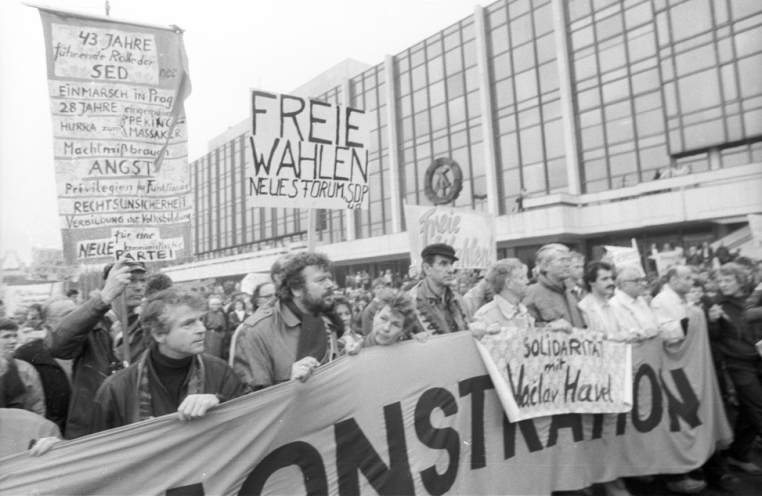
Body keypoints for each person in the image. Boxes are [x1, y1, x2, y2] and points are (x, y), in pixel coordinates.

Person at [91, 288, 245, 432]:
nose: (201, 329)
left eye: (200, 320)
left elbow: (243, 429)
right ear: (159, 334)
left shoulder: (221, 372)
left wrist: (219, 403)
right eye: (188, 324)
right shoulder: (117, 388)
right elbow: (100, 452)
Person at [47, 258, 146, 439]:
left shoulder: (148, 328)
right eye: (131, 280)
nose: (139, 287)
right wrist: (103, 298)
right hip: (92, 429)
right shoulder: (90, 324)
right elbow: (57, 346)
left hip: (133, 429)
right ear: (110, 283)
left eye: (142, 280)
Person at [233, 252, 351, 391]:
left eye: (329, 278)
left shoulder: (328, 320)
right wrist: (290, 385)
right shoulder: (257, 332)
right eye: (320, 280)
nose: (331, 285)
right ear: (296, 289)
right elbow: (251, 404)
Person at [708, 263, 762, 474]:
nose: (723, 284)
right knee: (759, 408)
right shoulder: (716, 303)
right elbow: (711, 337)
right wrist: (712, 321)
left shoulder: (754, 297)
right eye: (720, 280)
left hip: (758, 359)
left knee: (749, 412)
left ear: (740, 279)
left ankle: (737, 454)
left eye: (728, 280)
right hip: (737, 363)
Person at [14, 297, 75, 435]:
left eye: (78, 313)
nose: (76, 319)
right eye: (68, 315)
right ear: (48, 322)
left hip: (84, 433)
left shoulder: (88, 348)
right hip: (48, 436)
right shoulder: (27, 354)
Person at [408, 243, 471, 335]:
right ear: (427, 269)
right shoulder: (409, 303)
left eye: (451, 264)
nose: (451, 270)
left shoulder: (459, 299)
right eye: (443, 263)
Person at [522, 243, 585, 328]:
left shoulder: (572, 293)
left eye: (568, 260)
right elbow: (527, 329)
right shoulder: (532, 294)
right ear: (546, 266)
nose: (567, 264)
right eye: (562, 260)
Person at [472, 258, 533, 331]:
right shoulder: (485, 316)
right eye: (522, 278)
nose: (527, 281)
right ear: (509, 283)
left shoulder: (522, 310)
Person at [0, 319, 46, 416]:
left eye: (15, 336)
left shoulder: (25, 369)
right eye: (6, 336)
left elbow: (37, 407)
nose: (13, 341)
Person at [608, 265, 659, 341]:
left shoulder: (640, 300)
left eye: (642, 280)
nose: (642, 283)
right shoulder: (613, 305)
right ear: (623, 284)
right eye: (636, 281)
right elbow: (621, 334)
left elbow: (654, 324)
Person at [650, 265, 693, 345]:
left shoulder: (688, 297)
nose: (692, 282)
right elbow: (662, 333)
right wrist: (685, 324)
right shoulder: (660, 301)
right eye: (687, 278)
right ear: (673, 280)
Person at [201, 296, 229, 360]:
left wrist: (221, 336)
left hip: (217, 336)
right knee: (207, 353)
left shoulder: (221, 314)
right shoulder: (206, 314)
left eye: (217, 304)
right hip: (207, 335)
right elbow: (202, 326)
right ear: (210, 305)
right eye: (213, 304)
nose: (215, 306)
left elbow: (224, 328)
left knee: (217, 353)